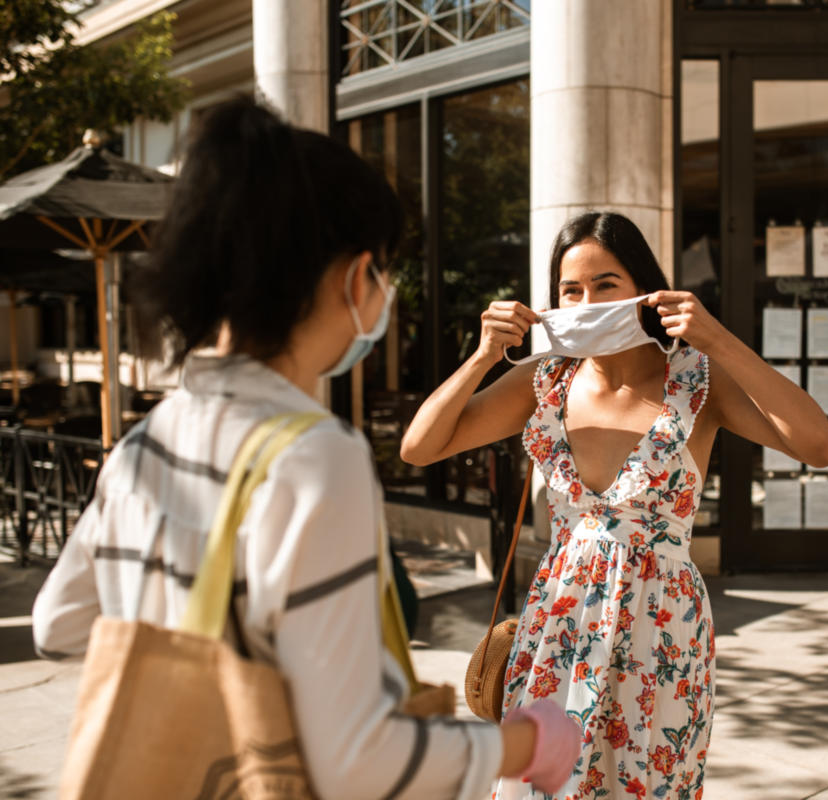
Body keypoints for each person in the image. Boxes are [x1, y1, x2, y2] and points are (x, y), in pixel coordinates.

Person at [31, 96, 579, 800]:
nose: (383, 298)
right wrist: (530, 742)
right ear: (355, 277)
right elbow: (359, 758)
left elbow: (59, 625)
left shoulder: (144, 441)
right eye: (383, 273)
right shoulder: (315, 457)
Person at [400, 211, 828, 799]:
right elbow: (418, 448)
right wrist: (483, 356)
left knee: (644, 784)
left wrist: (716, 338)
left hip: (660, 632)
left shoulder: (696, 380)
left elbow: (819, 445)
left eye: (606, 285)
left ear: (645, 291)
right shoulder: (545, 381)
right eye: (569, 289)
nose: (586, 301)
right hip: (558, 622)